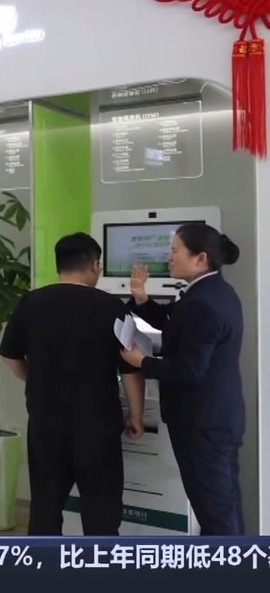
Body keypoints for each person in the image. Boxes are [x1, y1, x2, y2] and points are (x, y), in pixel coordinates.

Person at [0, 232, 145, 536]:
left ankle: (45, 562)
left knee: (45, 506)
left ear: (59, 266)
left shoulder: (31, 302)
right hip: (98, 425)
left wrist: (36, 379)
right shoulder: (112, 306)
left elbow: (9, 356)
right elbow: (131, 367)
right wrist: (136, 414)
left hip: (45, 422)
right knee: (101, 510)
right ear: (94, 265)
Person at [120, 224, 245, 535]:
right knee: (224, 506)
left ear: (200, 258)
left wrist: (142, 362)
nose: (169, 257)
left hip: (202, 425)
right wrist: (141, 298)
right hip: (217, 418)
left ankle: (226, 564)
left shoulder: (202, 303)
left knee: (214, 512)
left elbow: (189, 370)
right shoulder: (212, 292)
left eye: (175, 250)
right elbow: (172, 321)